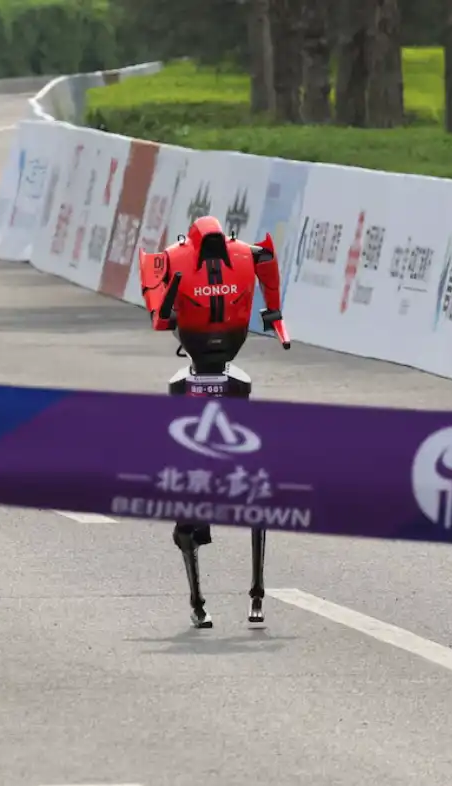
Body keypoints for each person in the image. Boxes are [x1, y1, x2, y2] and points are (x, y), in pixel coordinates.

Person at [137, 215, 290, 630]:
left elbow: (160, 317)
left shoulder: (174, 257)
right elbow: (269, 257)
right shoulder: (247, 253)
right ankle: (252, 591)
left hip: (198, 371)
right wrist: (273, 311)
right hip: (227, 369)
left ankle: (200, 574)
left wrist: (168, 299)